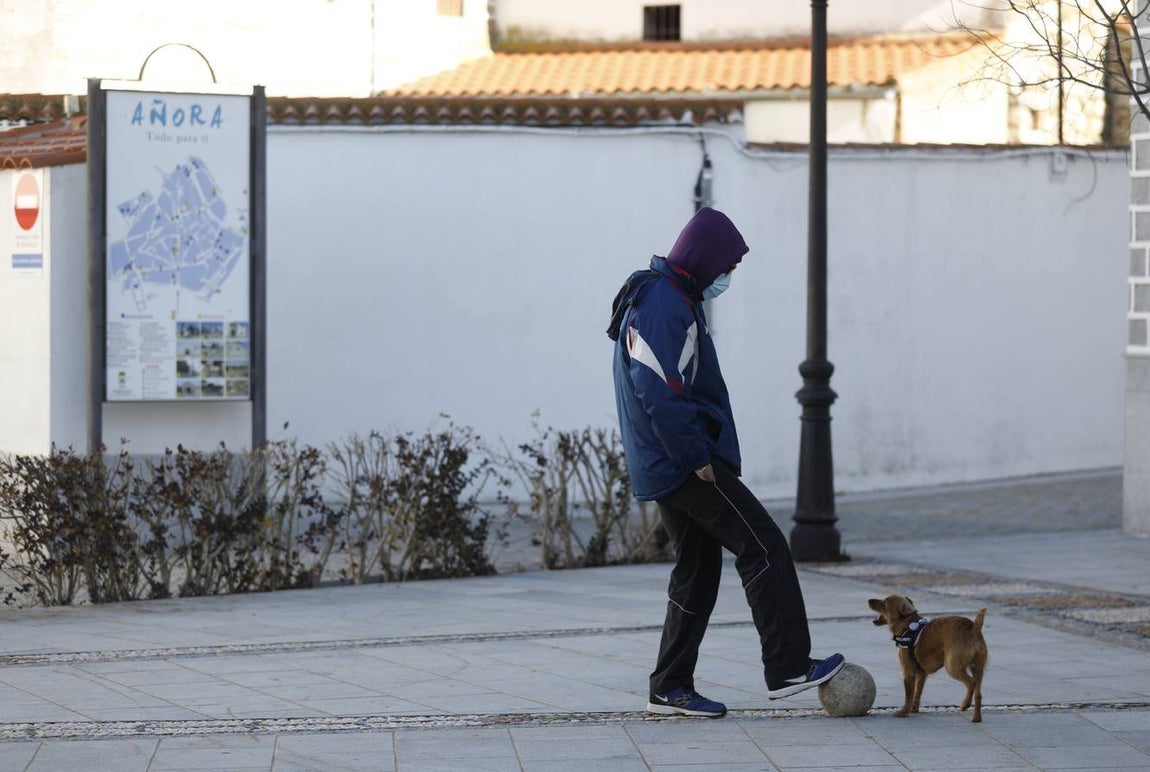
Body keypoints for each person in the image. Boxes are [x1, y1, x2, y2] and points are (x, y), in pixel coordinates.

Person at [606, 207, 843, 718]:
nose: (727, 277)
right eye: (727, 267)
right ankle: (788, 667)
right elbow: (659, 390)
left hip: (667, 462)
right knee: (764, 546)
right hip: (684, 462)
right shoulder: (664, 304)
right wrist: (697, 459)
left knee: (697, 569)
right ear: (704, 259)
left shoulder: (665, 298)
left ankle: (669, 687)